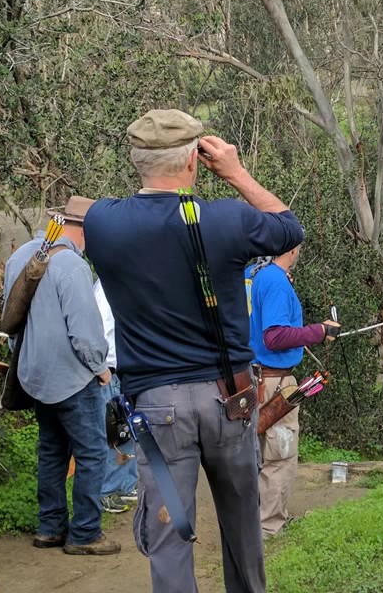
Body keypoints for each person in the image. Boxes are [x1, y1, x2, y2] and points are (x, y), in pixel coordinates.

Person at [84, 108, 303, 593]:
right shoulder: (225, 220)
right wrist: (236, 171)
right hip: (230, 398)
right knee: (243, 527)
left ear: (136, 159)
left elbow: (79, 213)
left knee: (168, 537)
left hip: (157, 406)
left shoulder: (103, 223)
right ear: (195, 161)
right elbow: (289, 227)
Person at [2, 197, 120, 556]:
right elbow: (84, 332)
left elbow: (11, 319)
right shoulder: (71, 265)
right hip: (72, 378)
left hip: (34, 376)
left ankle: (50, 527)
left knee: (51, 451)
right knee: (92, 454)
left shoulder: (20, 256)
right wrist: (101, 369)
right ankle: (84, 533)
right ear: (88, 230)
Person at [245, 247, 337, 538]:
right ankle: (270, 525)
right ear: (294, 248)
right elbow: (275, 337)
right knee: (279, 454)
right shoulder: (274, 280)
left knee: (259, 454)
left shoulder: (253, 273)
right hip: (275, 381)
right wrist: (319, 331)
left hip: (253, 378)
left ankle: (256, 520)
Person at [93, 276, 138, 514]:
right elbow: (98, 328)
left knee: (128, 429)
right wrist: (102, 369)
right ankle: (107, 491)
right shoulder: (105, 286)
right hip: (109, 370)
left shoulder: (124, 280)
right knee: (113, 433)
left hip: (127, 368)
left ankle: (127, 484)